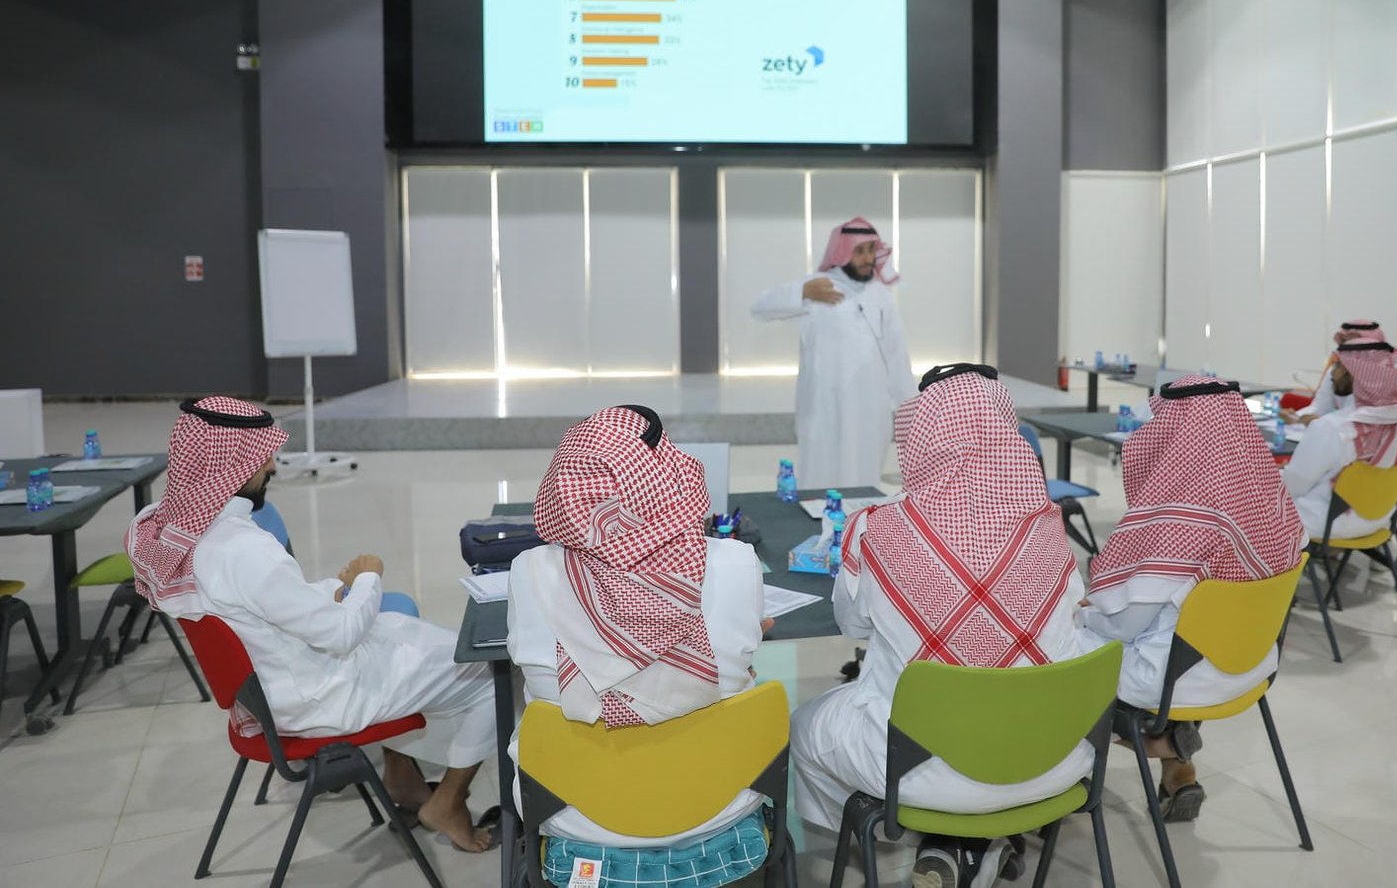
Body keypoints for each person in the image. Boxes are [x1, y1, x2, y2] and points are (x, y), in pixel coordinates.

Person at [126, 397, 497, 852]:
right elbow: (341, 635)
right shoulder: (242, 550)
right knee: (491, 670)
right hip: (315, 697)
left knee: (405, 628)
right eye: (262, 456)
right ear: (230, 465)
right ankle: (449, 802)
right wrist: (368, 578)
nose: (271, 466)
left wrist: (334, 590)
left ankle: (404, 777)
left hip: (266, 691)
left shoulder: (165, 529)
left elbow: (257, 604)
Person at [790, 364, 1092, 888]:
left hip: (919, 772)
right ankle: (973, 843)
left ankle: (906, 834)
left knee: (806, 725)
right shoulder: (1047, 525)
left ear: (921, 438)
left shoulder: (877, 528)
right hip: (1052, 758)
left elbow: (853, 626)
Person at [506, 404, 769, 850]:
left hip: (573, 809)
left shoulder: (526, 572)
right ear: (669, 476)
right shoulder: (737, 562)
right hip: (719, 800)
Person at [1077, 376, 1306, 823]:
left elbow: (1124, 625)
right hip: (1251, 665)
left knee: (1064, 648)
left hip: (1174, 682)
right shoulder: (1273, 504)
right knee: (1172, 634)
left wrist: (1083, 616)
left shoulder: (1181, 517)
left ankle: (1126, 753)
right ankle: (1177, 766)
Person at [751, 216, 916, 490]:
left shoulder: (881, 295)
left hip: (870, 408)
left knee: (863, 480)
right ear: (842, 252)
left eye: (871, 250)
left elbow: (897, 356)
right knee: (820, 477)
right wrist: (802, 292)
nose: (868, 258)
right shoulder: (818, 286)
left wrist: (910, 410)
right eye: (859, 251)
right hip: (824, 407)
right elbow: (759, 308)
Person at [1282, 340, 1397, 539]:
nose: (1331, 374)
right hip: (1379, 518)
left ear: (1352, 372)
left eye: (1336, 366)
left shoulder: (1332, 427)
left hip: (1322, 522)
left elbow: (1293, 486)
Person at [1284, 320, 1382, 424]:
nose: (1349, 347)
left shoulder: (1383, 374)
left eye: (1356, 343)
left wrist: (1323, 422)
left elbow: (1365, 416)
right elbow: (1319, 407)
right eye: (1345, 342)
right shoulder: (1336, 370)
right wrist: (1295, 417)